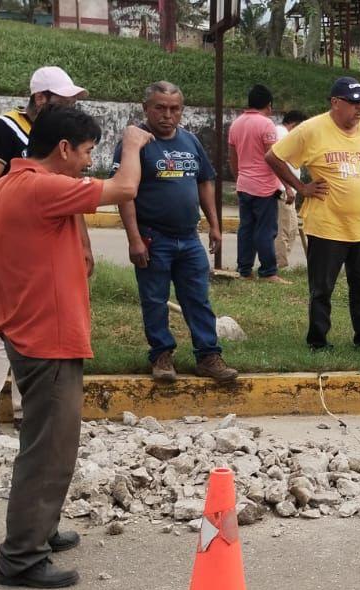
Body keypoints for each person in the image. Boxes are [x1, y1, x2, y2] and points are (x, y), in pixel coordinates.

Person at [0, 106, 151, 588]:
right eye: (87, 151)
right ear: (62, 148)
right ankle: (22, 558)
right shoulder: (41, 187)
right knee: (49, 452)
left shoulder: (7, 185)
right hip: (47, 339)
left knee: (43, 442)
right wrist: (132, 144)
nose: (88, 161)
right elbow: (125, 188)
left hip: (27, 331)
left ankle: (42, 528)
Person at [0, 66, 89, 442]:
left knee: (37, 332)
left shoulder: (57, 138)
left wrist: (83, 244)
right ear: (40, 98)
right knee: (10, 330)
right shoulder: (2, 130)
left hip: (47, 247)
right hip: (14, 247)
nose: (70, 108)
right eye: (64, 101)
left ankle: (26, 410)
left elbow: (69, 192)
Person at [116, 81, 238, 384]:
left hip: (189, 237)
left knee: (198, 299)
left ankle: (208, 356)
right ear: (146, 108)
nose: (167, 115)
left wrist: (214, 225)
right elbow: (124, 194)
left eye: (174, 109)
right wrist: (134, 239)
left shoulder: (190, 141)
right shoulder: (135, 143)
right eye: (160, 108)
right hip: (153, 237)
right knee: (154, 299)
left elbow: (204, 181)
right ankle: (161, 354)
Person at [266, 77, 360, 351]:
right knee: (322, 289)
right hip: (326, 226)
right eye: (353, 103)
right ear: (335, 103)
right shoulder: (312, 129)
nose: (359, 108)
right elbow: (273, 157)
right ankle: (318, 342)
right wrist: (301, 187)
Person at [227, 84, 286, 282]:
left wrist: (239, 178)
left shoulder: (236, 124)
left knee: (246, 228)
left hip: (244, 184)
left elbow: (232, 157)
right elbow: (273, 158)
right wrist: (286, 185)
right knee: (265, 229)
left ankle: (244, 270)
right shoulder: (266, 124)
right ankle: (268, 272)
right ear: (269, 105)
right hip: (264, 186)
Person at [273, 109, 308, 270]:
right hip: (283, 190)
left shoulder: (284, 134)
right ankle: (278, 265)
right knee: (284, 230)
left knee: (291, 228)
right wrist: (287, 187)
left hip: (288, 191)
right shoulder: (282, 134)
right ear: (294, 125)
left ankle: (280, 263)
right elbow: (275, 162)